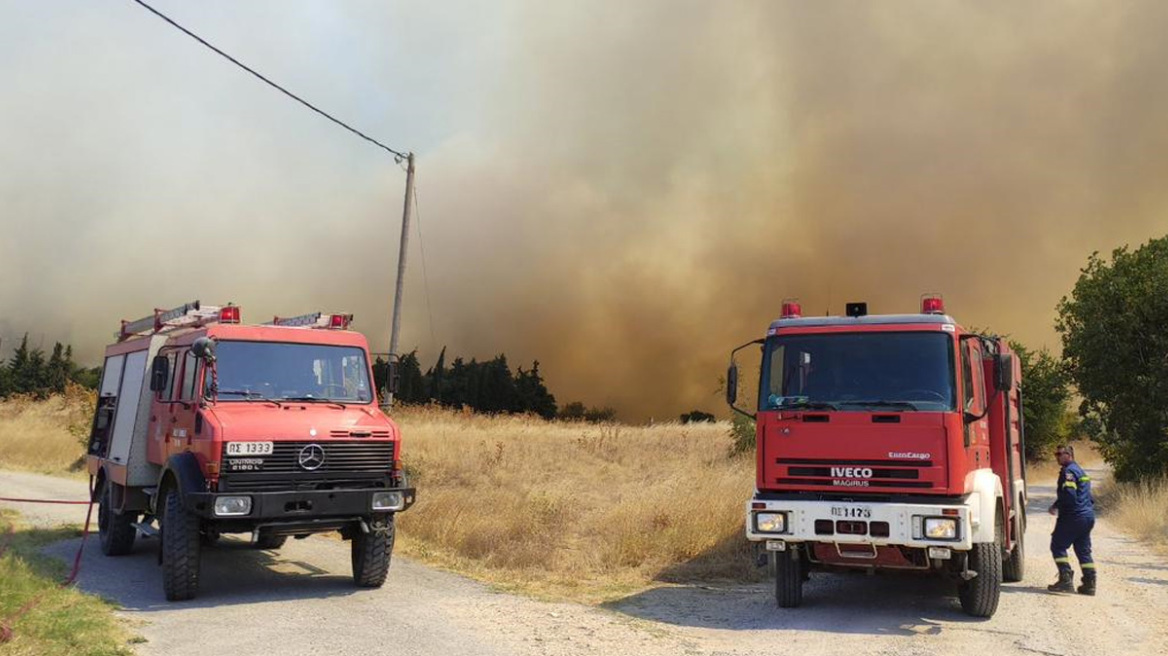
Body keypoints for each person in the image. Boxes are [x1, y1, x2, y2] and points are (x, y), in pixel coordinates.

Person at [1047, 444, 1096, 595]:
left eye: (1060, 454)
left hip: (1073, 516)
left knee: (1057, 545)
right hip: (1087, 516)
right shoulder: (1080, 471)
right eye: (1056, 454)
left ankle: (1065, 579)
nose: (1057, 457)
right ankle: (1089, 583)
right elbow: (1088, 496)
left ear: (1069, 455)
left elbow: (1069, 495)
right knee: (1083, 550)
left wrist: (1059, 507)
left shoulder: (1068, 471)